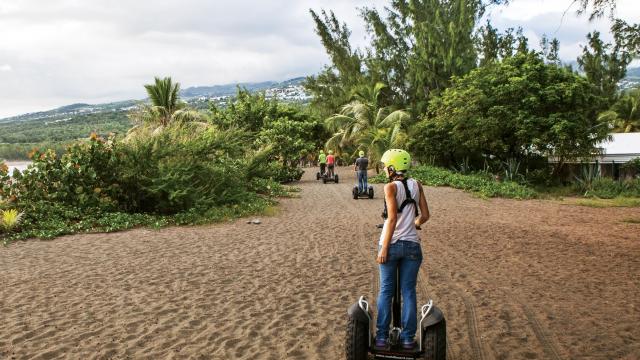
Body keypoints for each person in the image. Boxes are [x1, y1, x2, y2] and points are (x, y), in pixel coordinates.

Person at [375, 149, 430, 350]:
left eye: (384, 166)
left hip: (392, 245)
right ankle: (408, 339)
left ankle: (381, 337)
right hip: (412, 247)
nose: (383, 169)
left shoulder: (390, 187)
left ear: (391, 167)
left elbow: (392, 219)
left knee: (386, 291)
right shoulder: (417, 185)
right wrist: (414, 223)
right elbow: (425, 215)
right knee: (408, 291)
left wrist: (384, 249)